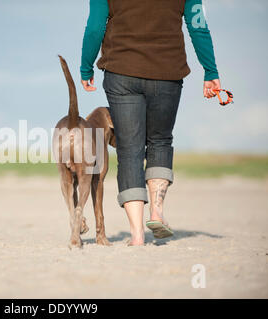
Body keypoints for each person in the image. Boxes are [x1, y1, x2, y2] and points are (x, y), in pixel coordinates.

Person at [80, 0, 220, 245]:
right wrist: (210, 71)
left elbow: (94, 27)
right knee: (160, 141)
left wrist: (85, 66)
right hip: (167, 73)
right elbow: (198, 26)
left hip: (121, 72)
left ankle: (136, 235)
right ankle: (156, 212)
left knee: (129, 149)